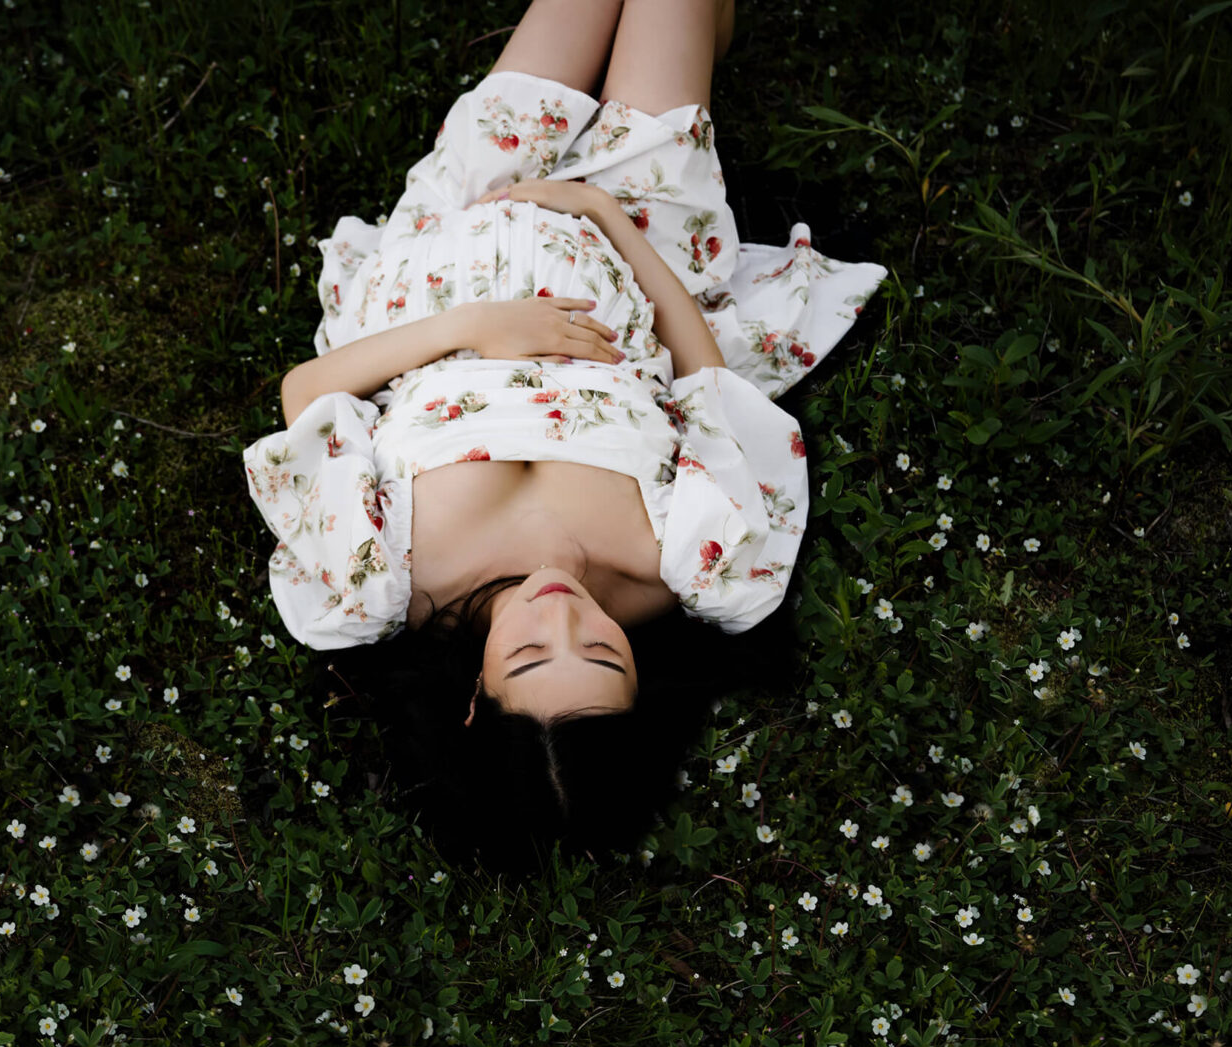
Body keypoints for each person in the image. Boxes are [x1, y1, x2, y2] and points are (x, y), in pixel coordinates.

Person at [242, 0, 884, 874]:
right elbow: (713, 392)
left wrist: (474, 328)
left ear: (475, 696)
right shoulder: (700, 566)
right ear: (640, 683)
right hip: (640, 228)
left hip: (457, 242)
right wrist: (605, 217)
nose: (564, 612)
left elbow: (306, 391)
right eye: (602, 651)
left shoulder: (378, 579)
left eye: (531, 652)